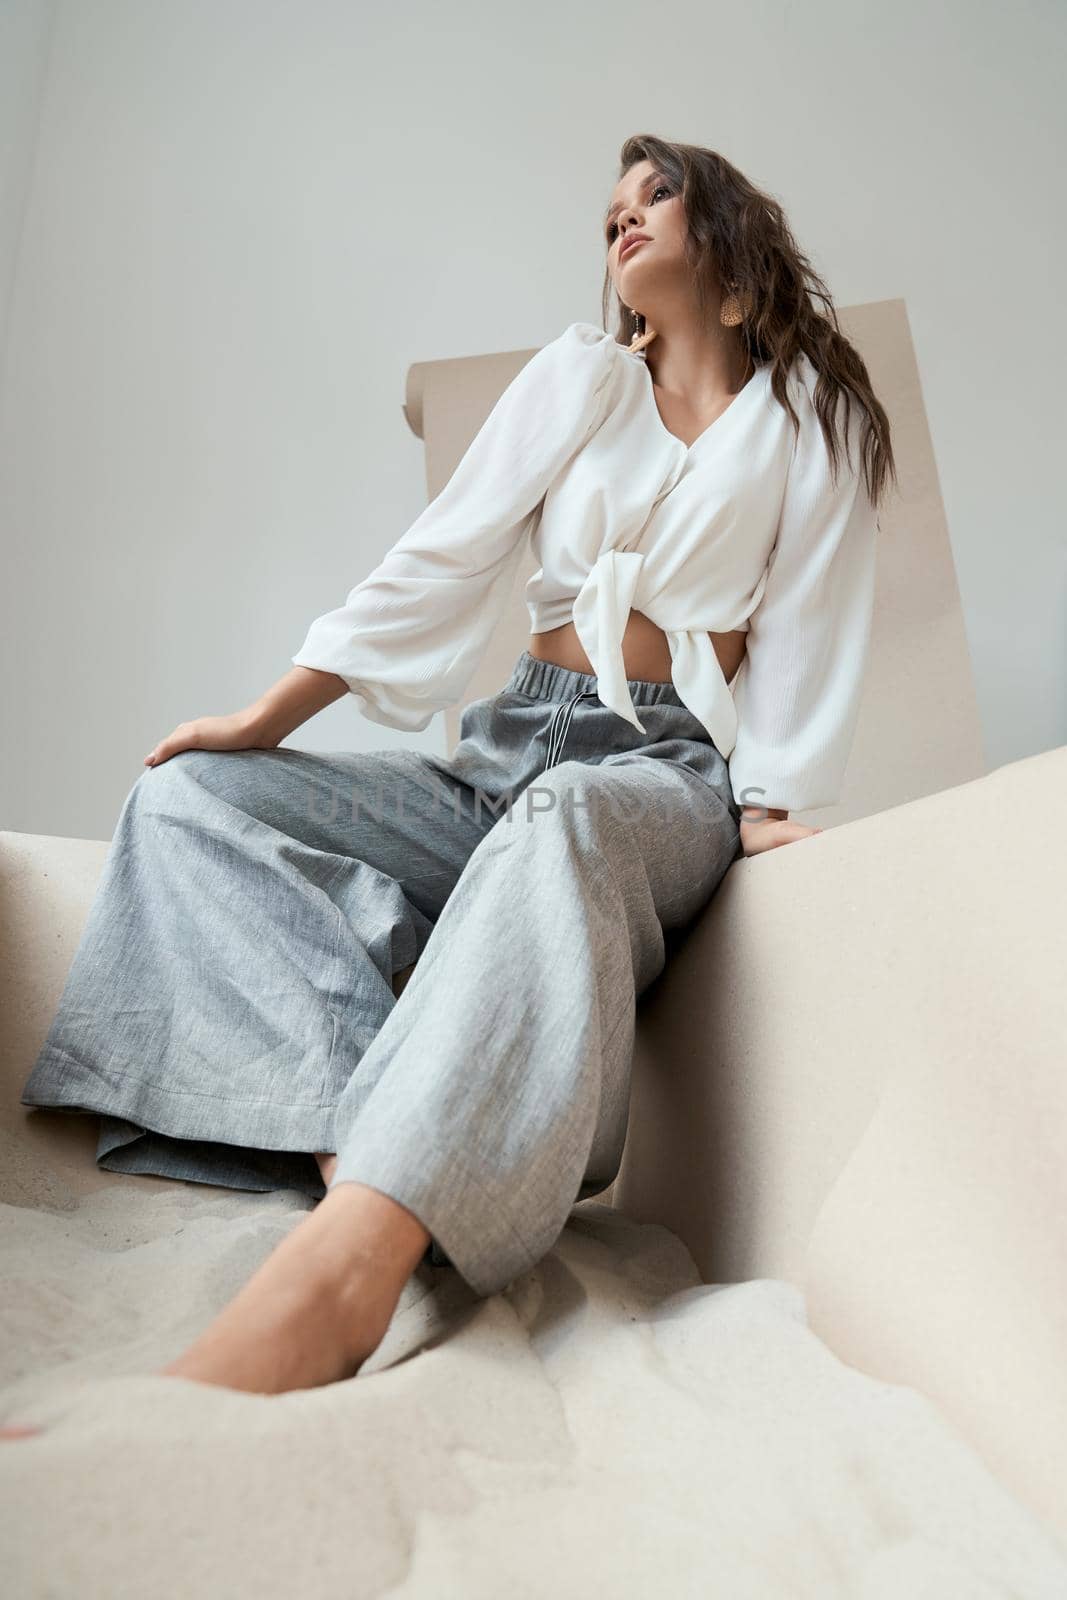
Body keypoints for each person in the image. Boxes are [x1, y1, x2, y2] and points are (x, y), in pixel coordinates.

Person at [10, 134, 896, 1410]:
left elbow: (811, 623)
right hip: (507, 744)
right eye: (608, 214)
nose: (622, 221)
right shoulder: (578, 378)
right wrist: (273, 713)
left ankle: (346, 1267)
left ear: (730, 237)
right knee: (188, 798)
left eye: (655, 195)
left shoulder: (803, 418)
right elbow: (444, 550)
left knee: (568, 815)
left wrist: (768, 804)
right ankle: (371, 1136)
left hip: (652, 770)